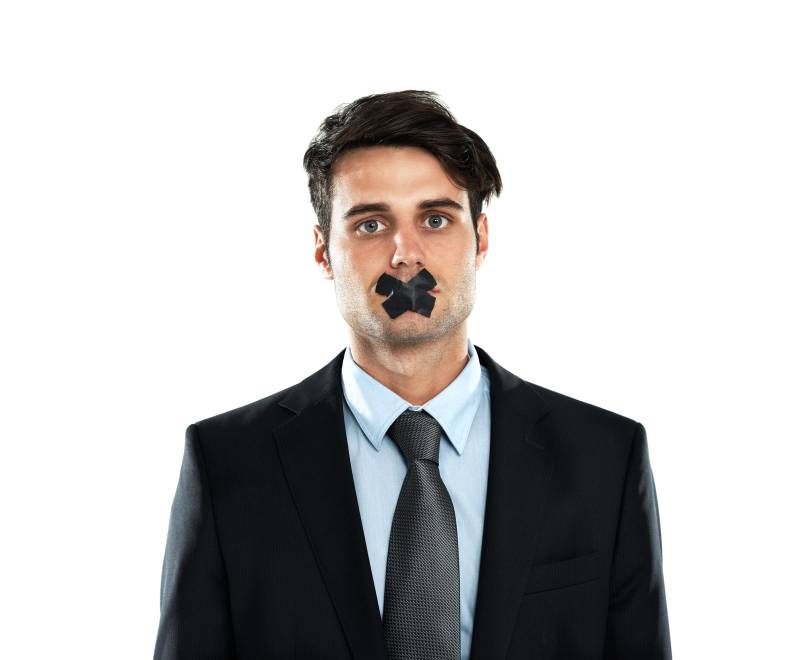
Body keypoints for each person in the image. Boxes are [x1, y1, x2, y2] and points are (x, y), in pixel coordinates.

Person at [153, 90, 672, 660]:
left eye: (435, 219)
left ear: (481, 238)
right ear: (324, 252)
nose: (406, 255)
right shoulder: (227, 463)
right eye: (371, 224)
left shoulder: (604, 458)